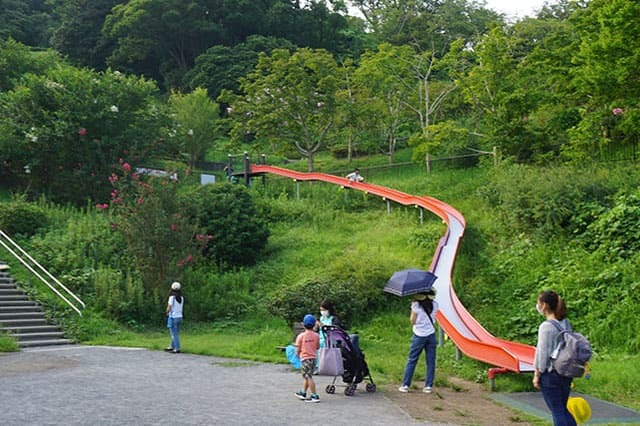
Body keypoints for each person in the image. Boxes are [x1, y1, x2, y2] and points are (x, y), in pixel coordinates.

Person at [533, 290, 577, 426]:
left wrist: (537, 374)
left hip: (551, 374)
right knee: (562, 408)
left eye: (538, 302)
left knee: (557, 411)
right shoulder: (565, 323)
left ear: (544, 305)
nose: (537, 305)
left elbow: (542, 353)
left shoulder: (546, 327)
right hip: (566, 371)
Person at [398, 288, 438, 394]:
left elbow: (413, 321)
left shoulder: (416, 306)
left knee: (412, 360)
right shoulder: (435, 304)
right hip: (431, 334)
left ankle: (406, 385)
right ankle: (428, 386)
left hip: (419, 335)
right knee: (431, 361)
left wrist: (413, 307)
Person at [294, 314, 321, 403]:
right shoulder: (316, 335)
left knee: (307, 376)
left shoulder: (301, 336)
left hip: (305, 359)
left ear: (303, 324)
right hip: (313, 359)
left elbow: (298, 348)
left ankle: (314, 395)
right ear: (314, 325)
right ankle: (303, 392)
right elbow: (317, 347)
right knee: (308, 376)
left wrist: (297, 354)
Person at [165, 281, 184, 354]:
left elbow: (169, 307)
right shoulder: (181, 298)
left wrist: (166, 312)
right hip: (180, 317)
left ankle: (177, 348)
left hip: (173, 317)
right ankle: (171, 346)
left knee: (174, 333)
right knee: (175, 332)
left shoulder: (171, 298)